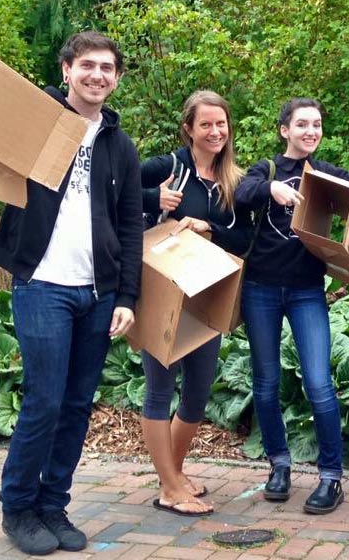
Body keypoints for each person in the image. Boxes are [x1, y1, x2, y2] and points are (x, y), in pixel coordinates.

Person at [0, 26, 142, 555]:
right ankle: (18, 507)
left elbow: (131, 225)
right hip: (43, 283)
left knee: (75, 405)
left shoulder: (120, 146)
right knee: (44, 402)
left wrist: (127, 298)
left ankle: (53, 506)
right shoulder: (34, 116)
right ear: (66, 70)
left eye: (107, 68)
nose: (97, 75)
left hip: (96, 294)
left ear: (115, 80)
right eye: (86, 65)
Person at [234, 98, 349, 514]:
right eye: (302, 124)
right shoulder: (265, 170)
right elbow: (239, 193)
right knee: (265, 385)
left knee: (320, 383)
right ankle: (279, 466)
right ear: (284, 130)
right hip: (261, 290)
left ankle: (331, 477)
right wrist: (271, 188)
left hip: (307, 291)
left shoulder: (328, 176)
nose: (311, 131)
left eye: (317, 125)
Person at [139, 90, 251, 517]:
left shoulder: (233, 181)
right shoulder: (167, 168)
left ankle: (177, 472)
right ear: (188, 128)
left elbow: (243, 241)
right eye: (205, 124)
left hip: (205, 295)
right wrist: (156, 203)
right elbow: (111, 189)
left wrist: (209, 226)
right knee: (160, 390)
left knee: (198, 393)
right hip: (163, 293)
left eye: (220, 124)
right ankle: (168, 487)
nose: (215, 131)